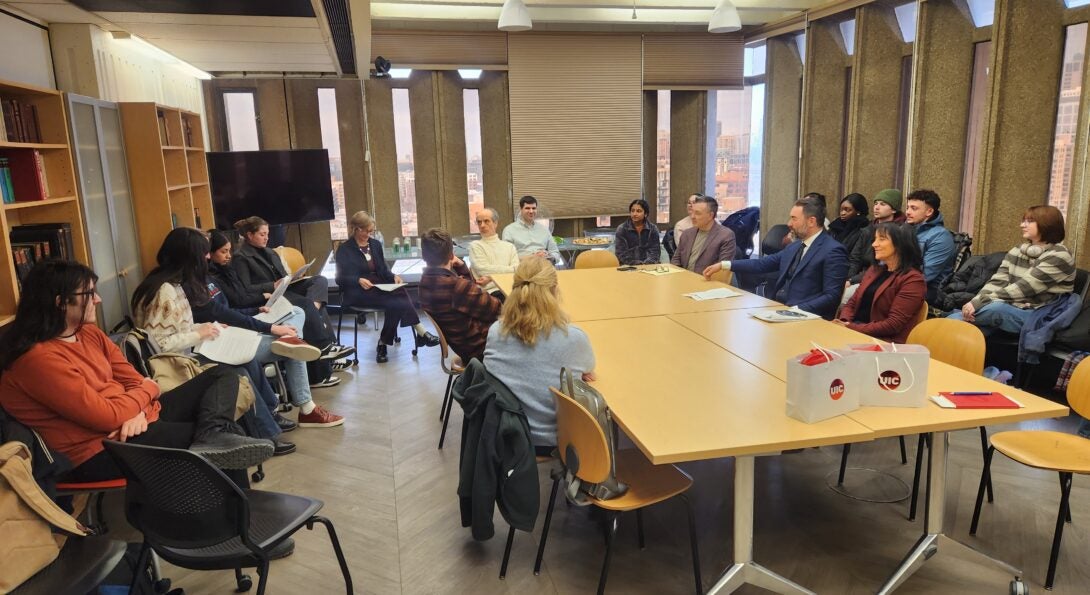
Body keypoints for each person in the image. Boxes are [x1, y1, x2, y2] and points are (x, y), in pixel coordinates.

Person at [0, 260, 273, 482]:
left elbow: (138, 380)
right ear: (61, 302)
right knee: (224, 441)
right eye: (88, 294)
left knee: (222, 376)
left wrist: (141, 410)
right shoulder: (37, 360)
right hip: (96, 450)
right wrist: (141, 402)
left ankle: (213, 436)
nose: (97, 300)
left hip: (130, 423)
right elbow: (107, 415)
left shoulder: (89, 335)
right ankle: (235, 532)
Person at [130, 228, 295, 455]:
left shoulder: (172, 284)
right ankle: (266, 435)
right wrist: (200, 334)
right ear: (190, 256)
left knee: (246, 360)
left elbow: (179, 327)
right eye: (204, 253)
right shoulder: (164, 292)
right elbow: (159, 345)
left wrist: (207, 328)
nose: (208, 258)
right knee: (238, 374)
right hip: (174, 365)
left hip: (184, 353)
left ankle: (269, 419)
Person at [205, 229, 346, 429]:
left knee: (296, 312)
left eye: (229, 251)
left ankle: (297, 343)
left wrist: (259, 307)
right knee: (293, 344)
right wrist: (267, 320)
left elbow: (232, 307)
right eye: (222, 252)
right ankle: (307, 408)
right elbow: (229, 310)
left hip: (244, 322)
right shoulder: (211, 279)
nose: (228, 255)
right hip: (233, 336)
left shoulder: (217, 275)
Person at [483, 257, 595, 454]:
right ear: (554, 291)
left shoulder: (495, 332)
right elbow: (588, 367)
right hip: (555, 438)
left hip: (506, 432)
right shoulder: (572, 337)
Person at [231, 216, 354, 387]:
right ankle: (324, 347)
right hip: (268, 297)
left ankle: (319, 331)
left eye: (268, 234)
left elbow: (282, 276)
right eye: (262, 234)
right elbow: (245, 289)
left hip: (283, 290)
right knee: (307, 305)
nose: (267, 238)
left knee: (319, 280)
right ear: (250, 235)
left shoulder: (270, 251)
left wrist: (291, 278)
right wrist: (271, 285)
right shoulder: (240, 257)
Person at [704, 196, 848, 319]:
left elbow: (831, 296)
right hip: (778, 309)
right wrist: (725, 265)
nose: (789, 223)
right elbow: (762, 264)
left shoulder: (833, 251)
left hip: (805, 318)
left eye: (794, 219)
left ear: (811, 221)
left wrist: (795, 311)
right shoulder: (795, 246)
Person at [948, 205, 1075, 336]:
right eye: (1023, 220)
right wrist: (977, 301)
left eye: (1029, 221)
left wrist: (979, 303)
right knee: (967, 333)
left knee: (991, 310)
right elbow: (997, 282)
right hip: (1011, 307)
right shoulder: (1017, 250)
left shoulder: (1060, 255)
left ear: (1047, 224)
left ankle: (952, 318)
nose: (1022, 225)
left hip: (1041, 315)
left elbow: (1025, 287)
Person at [335, 211, 439, 363]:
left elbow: (383, 270)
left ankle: (385, 343)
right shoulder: (345, 249)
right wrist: (357, 280)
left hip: (378, 287)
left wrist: (393, 277)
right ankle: (419, 333)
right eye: (367, 231)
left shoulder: (375, 245)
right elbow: (339, 279)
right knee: (397, 301)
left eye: (371, 231)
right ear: (357, 229)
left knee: (398, 294)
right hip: (357, 292)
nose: (369, 234)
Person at [418, 228, 502, 363]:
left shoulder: (424, 283)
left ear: (423, 256)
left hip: (464, 347)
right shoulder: (456, 286)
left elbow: (470, 295)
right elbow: (498, 310)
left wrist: (461, 267)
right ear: (452, 255)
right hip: (484, 349)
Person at [835, 222, 926, 343]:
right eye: (875, 239)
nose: (874, 244)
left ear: (900, 244)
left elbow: (893, 324)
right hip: (856, 332)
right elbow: (852, 303)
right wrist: (844, 321)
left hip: (883, 342)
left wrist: (851, 327)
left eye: (881, 239)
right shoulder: (874, 270)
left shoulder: (913, 280)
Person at [904, 189, 956, 301]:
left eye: (914, 208)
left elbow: (925, 275)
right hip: (901, 282)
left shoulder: (941, 237)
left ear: (929, 212)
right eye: (907, 207)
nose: (907, 212)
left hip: (927, 291)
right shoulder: (905, 229)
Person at [849, 188, 906, 283]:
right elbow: (855, 259)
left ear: (894, 210)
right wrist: (848, 279)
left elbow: (883, 265)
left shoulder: (899, 231)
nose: (877, 207)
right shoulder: (867, 229)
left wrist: (853, 281)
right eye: (876, 203)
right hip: (860, 276)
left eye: (883, 204)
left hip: (882, 278)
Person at [670, 195, 736, 273]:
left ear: (710, 215)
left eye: (697, 213)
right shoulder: (687, 233)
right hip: (684, 279)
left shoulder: (725, 235)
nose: (692, 216)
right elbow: (676, 260)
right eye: (692, 212)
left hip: (708, 281)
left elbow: (723, 268)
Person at [468, 207, 519, 299]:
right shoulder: (475, 246)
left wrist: (490, 278)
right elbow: (483, 270)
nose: (482, 225)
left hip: (512, 289)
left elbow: (517, 271)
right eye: (479, 222)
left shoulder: (509, 247)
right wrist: (511, 270)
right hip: (491, 292)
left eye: (486, 221)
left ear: (495, 223)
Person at [501, 195, 561, 263]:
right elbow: (507, 257)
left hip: (544, 267)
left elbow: (555, 253)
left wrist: (550, 257)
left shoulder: (544, 229)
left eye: (534, 208)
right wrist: (532, 257)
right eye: (527, 208)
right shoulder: (509, 230)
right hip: (523, 268)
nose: (531, 211)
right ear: (521, 210)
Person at [614, 199, 662, 265]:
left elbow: (655, 252)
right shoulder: (622, 229)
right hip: (628, 266)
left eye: (638, 211)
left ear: (645, 214)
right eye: (632, 211)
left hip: (649, 266)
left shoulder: (653, 229)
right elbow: (621, 253)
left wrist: (647, 264)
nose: (634, 214)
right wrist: (636, 264)